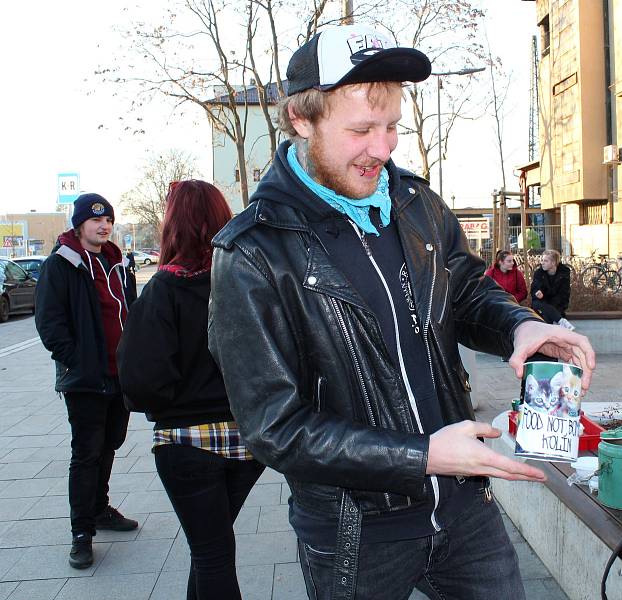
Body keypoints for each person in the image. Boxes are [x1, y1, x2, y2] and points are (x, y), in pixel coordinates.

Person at [207, 24, 595, 600]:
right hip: (355, 530)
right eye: (361, 130)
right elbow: (274, 429)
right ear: (301, 119)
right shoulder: (253, 253)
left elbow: (462, 288)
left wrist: (522, 324)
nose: (383, 150)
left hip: (464, 505)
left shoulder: (415, 203)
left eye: (392, 128)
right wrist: (421, 456)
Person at [117, 180, 265, 600]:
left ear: (171, 225)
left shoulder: (164, 289)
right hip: (249, 440)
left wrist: (170, 401)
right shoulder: (247, 282)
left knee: (212, 554)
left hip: (186, 442)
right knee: (212, 547)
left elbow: (141, 381)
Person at [34, 193, 139, 570]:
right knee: (86, 453)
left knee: (111, 443)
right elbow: (49, 324)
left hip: (119, 377)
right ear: (79, 225)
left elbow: (132, 312)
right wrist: (80, 362)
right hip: (85, 380)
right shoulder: (61, 265)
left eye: (108, 219)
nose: (103, 225)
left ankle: (99, 509)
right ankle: (81, 533)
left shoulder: (118, 264)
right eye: (95, 220)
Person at [530, 249, 574, 330]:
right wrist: (538, 293)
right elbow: (534, 289)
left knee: (547, 316)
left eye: (545, 261)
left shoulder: (564, 273)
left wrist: (550, 309)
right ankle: (561, 321)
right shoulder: (539, 273)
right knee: (536, 303)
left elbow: (564, 294)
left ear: (553, 263)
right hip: (541, 303)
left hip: (557, 305)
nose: (542, 263)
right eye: (542, 260)